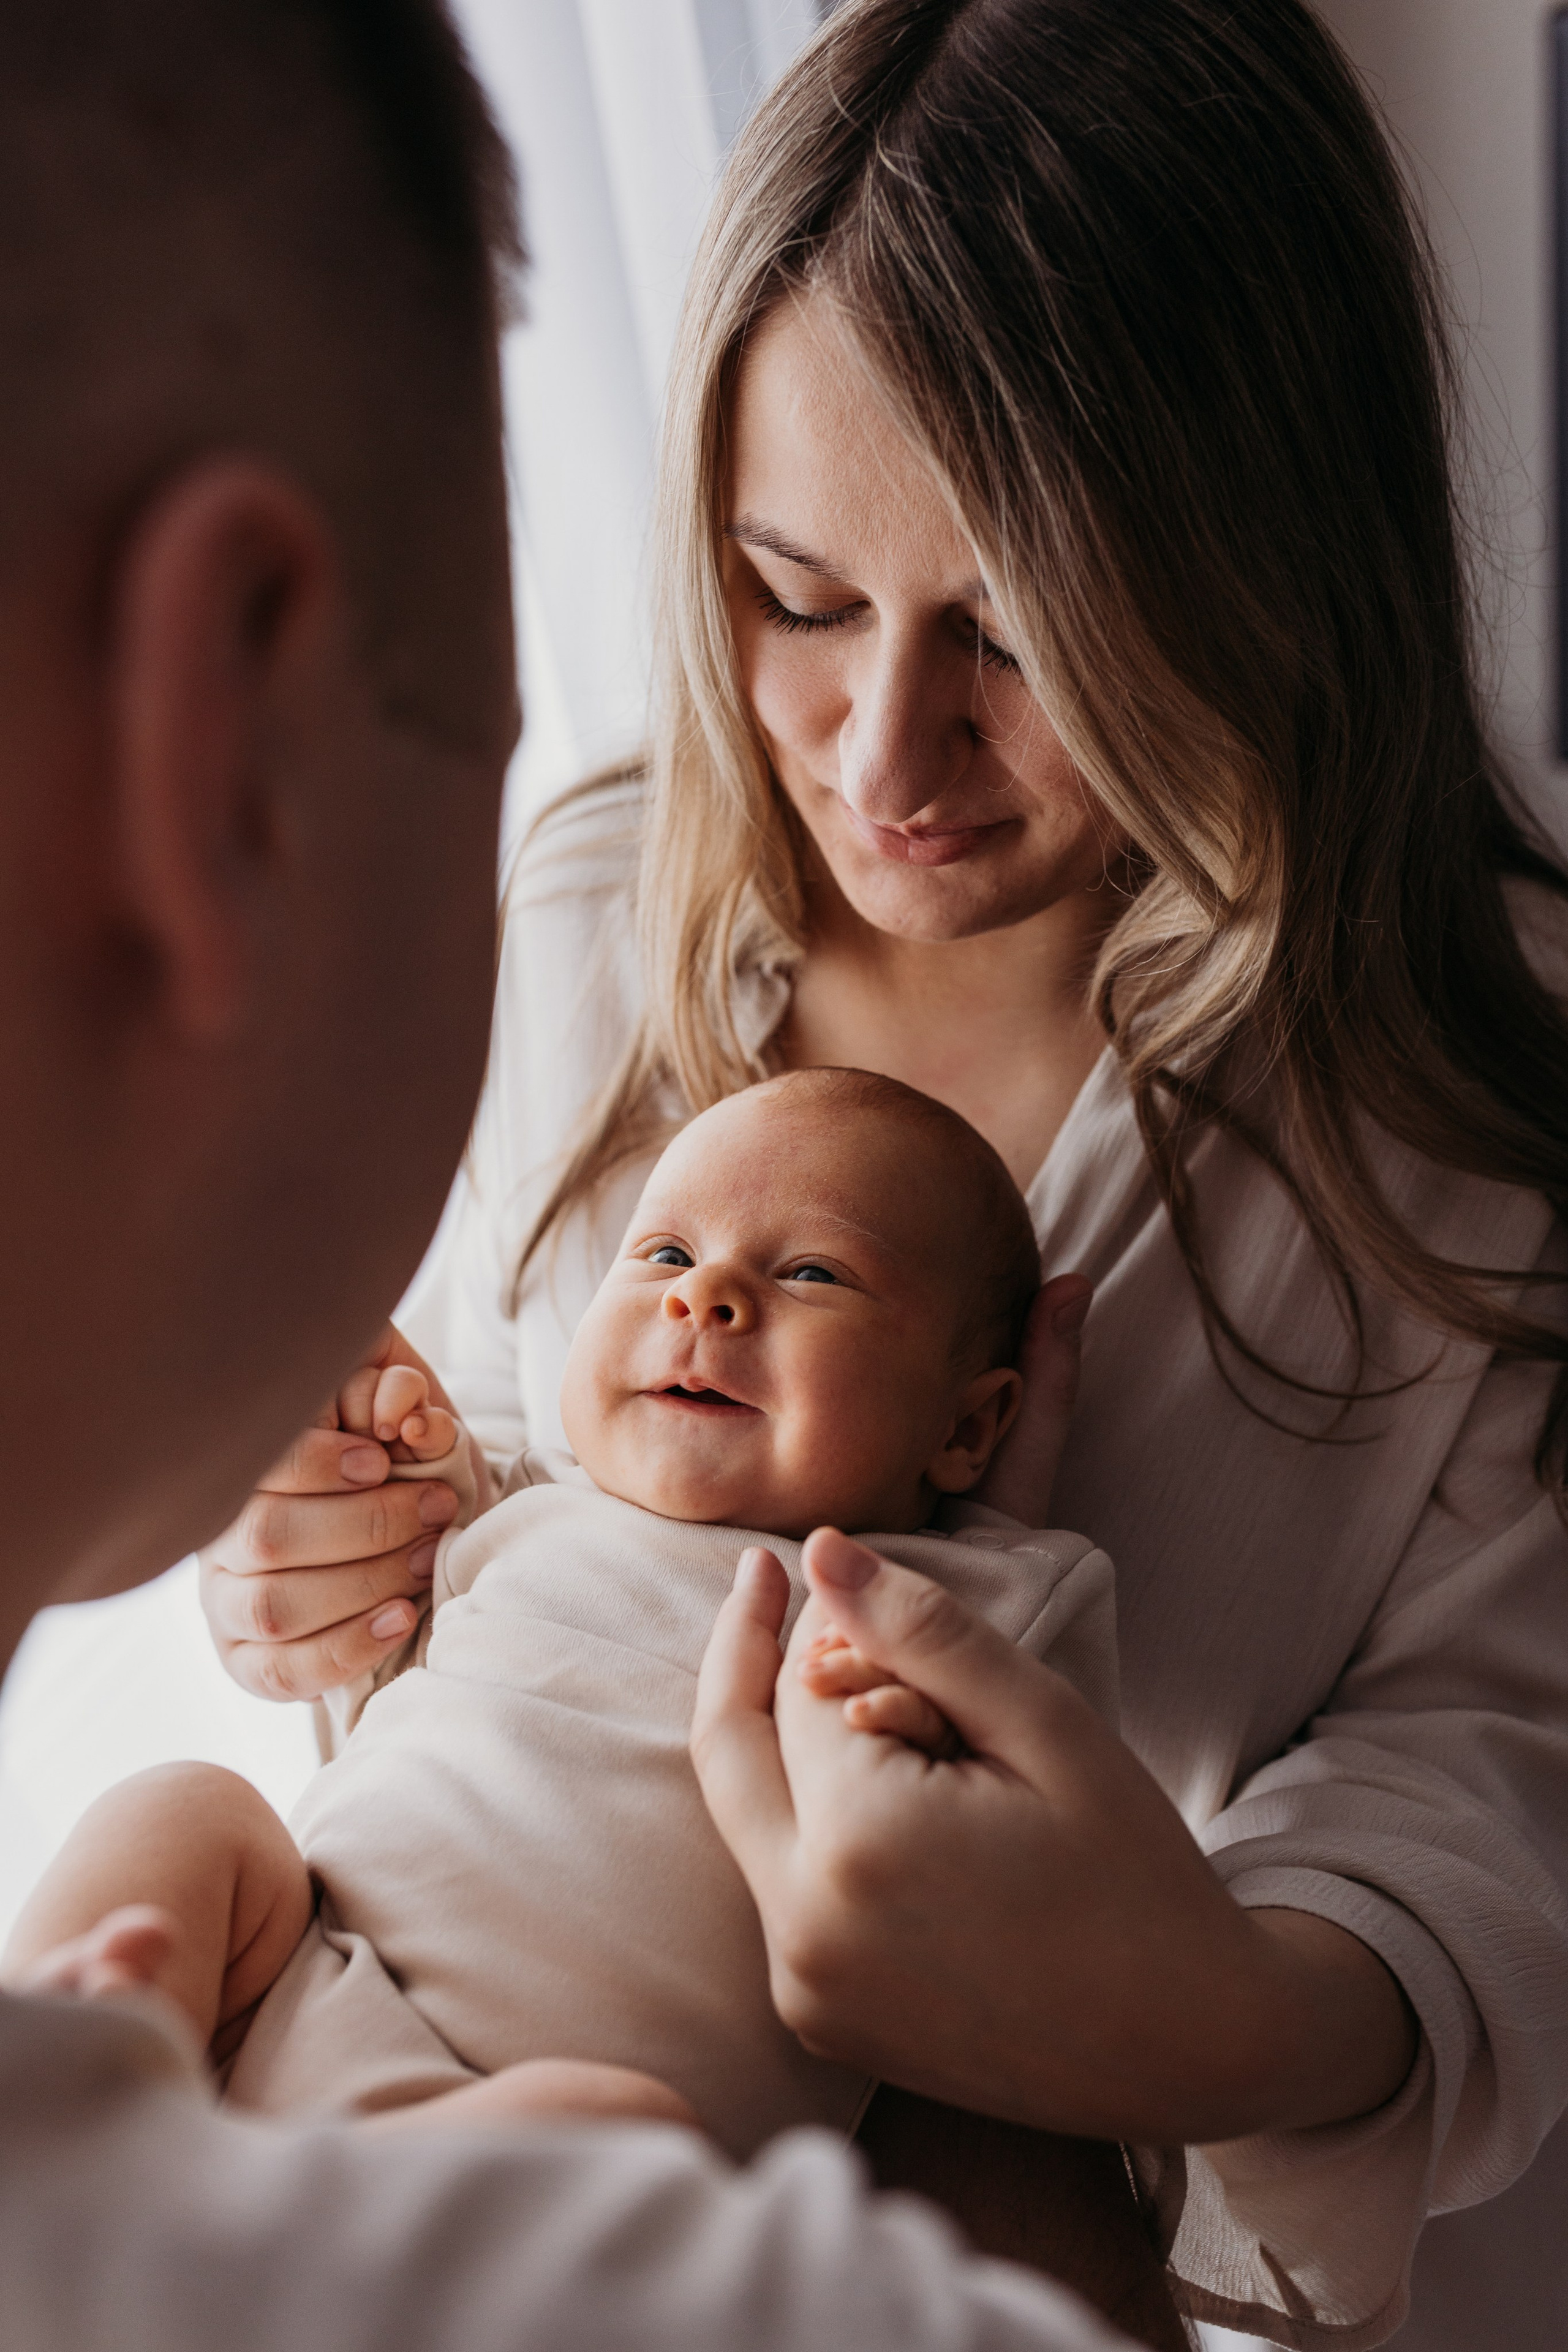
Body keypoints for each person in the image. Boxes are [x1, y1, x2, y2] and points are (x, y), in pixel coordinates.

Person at [202, 1, 1568, 2345]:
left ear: (1263, 568)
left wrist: (1191, 2013)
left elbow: (1489, 1795)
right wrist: (329, 1557)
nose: (877, 747)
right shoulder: (596, 902)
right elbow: (527, 1534)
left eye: (1025, 640)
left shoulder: (1474, 1082)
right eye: (796, 595)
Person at [0, 2, 1150, 2348]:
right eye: (791, 604)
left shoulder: (974, 1600)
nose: (862, 753)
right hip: (338, 1986)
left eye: (800, 1272)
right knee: (209, 1842)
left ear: (983, 1401)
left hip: (419, 2070)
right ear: (220, 739)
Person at [7, 1071, 1117, 2160]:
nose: (704, 1296)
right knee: (184, 1810)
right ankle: (61, 2072)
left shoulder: (973, 1599)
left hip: (566, 2153)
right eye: (666, 1255)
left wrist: (989, 1535)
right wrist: (391, 1449)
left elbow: (1062, 1833)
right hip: (295, 1979)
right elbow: (408, 1579)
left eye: (815, 1273)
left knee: (629, 2131)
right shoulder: (535, 1501)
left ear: (971, 1428)